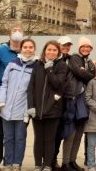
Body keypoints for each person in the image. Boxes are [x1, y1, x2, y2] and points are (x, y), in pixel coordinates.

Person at [0, 38, 38, 171]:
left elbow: (34, 90)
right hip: (6, 108)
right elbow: (4, 83)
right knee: (8, 138)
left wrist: (28, 110)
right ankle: (8, 163)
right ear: (21, 48)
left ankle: (17, 164)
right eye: (25, 47)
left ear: (34, 49)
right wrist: (1, 101)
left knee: (20, 138)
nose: (28, 49)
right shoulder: (12, 64)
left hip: (23, 111)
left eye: (30, 47)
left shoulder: (36, 66)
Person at [27, 40, 68, 171]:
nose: (51, 52)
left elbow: (57, 84)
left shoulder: (62, 66)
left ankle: (48, 165)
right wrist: (31, 106)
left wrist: (50, 69)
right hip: (37, 109)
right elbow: (31, 87)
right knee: (38, 139)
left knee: (50, 139)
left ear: (58, 52)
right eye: (49, 49)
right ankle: (38, 164)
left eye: (54, 50)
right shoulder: (37, 65)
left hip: (53, 109)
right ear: (45, 50)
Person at [0, 25, 24, 171]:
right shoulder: (0, 50)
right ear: (9, 34)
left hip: (19, 101)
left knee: (16, 134)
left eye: (20, 31)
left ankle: (12, 162)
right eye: (14, 30)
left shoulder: (25, 51)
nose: (17, 33)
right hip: (0, 98)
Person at [61, 37, 96, 171]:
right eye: (83, 46)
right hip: (74, 99)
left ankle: (72, 160)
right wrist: (90, 75)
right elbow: (81, 74)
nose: (86, 48)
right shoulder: (75, 58)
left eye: (88, 47)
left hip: (84, 101)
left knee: (79, 133)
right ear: (79, 47)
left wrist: (86, 73)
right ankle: (65, 163)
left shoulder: (89, 62)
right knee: (71, 132)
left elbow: (88, 74)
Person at [52, 36, 74, 171]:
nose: (65, 47)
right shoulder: (54, 60)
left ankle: (57, 160)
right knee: (53, 133)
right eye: (63, 45)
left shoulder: (71, 60)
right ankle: (51, 160)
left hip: (67, 100)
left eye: (68, 45)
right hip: (55, 100)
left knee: (60, 133)